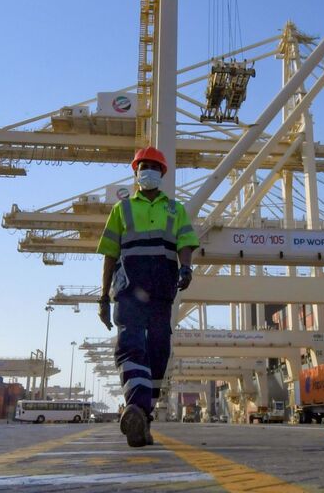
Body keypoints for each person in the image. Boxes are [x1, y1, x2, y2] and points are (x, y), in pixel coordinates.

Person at [96, 146, 198, 447]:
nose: (149, 171)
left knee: (158, 351)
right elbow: (109, 254)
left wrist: (186, 267)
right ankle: (137, 407)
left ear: (161, 173)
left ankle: (143, 415)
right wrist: (103, 297)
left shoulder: (175, 210)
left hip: (161, 291)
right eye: (144, 166)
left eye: (154, 166)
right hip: (129, 290)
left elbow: (186, 241)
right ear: (136, 173)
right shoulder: (122, 209)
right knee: (131, 345)